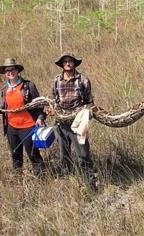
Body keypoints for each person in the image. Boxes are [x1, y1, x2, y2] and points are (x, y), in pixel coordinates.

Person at [0, 58, 46, 177]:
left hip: (28, 126)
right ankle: (18, 179)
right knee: (15, 154)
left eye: (12, 69)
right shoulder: (4, 89)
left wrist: (40, 118)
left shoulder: (28, 85)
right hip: (11, 127)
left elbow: (40, 104)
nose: (10, 72)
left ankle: (42, 179)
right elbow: (4, 107)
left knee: (33, 154)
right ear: (5, 73)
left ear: (17, 71)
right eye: (7, 70)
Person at [51, 53, 97, 191]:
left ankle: (90, 183)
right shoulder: (56, 80)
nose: (67, 63)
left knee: (83, 154)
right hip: (61, 122)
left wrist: (83, 114)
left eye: (70, 61)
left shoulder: (83, 80)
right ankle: (68, 182)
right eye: (65, 61)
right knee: (64, 154)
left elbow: (90, 103)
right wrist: (51, 109)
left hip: (78, 123)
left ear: (74, 63)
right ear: (62, 64)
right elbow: (54, 100)